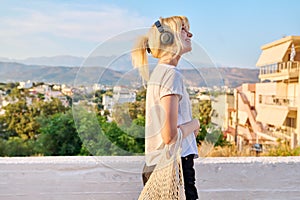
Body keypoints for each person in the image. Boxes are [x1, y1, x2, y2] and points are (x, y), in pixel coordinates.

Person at [131, 16, 200, 200]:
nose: (190, 34)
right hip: (175, 166)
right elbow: (169, 136)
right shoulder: (171, 75)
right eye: (183, 29)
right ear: (168, 38)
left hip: (157, 165)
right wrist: (194, 124)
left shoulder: (159, 73)